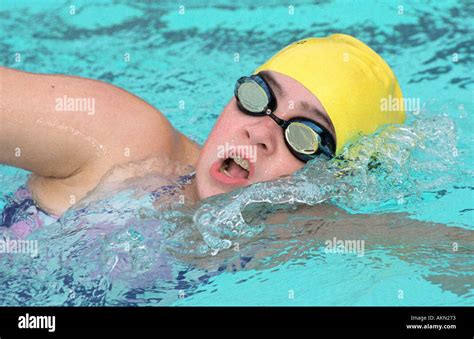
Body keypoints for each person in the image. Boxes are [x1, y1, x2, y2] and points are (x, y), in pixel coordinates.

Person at [0, 33, 405, 236]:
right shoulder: (121, 140)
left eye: (307, 134)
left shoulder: (301, 233)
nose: (261, 130)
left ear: (337, 176)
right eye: (259, 95)